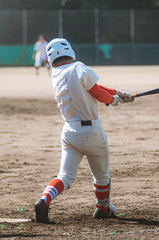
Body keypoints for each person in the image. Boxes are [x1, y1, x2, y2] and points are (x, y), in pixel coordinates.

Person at [34, 38, 134, 223]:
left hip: (69, 132)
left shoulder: (56, 74)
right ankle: (103, 209)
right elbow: (96, 92)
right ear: (70, 53)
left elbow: (92, 87)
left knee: (65, 176)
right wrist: (113, 100)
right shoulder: (78, 67)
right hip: (91, 132)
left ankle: (44, 200)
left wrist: (117, 92)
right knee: (101, 176)